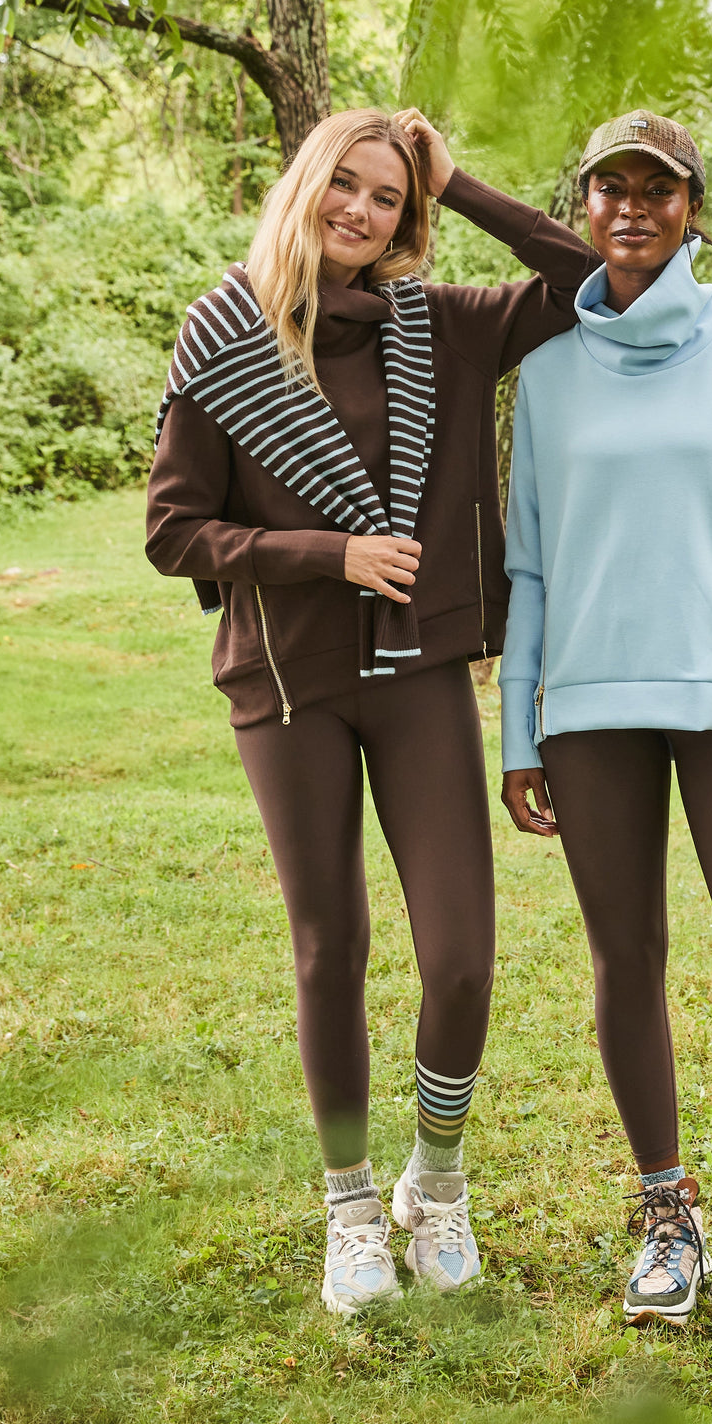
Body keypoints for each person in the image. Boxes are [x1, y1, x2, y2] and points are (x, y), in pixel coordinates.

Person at [146, 107, 596, 1315]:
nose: (360, 209)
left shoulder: (438, 327)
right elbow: (172, 529)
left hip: (421, 671)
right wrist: (326, 555)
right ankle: (350, 1207)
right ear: (307, 184)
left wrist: (465, 181)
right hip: (287, 681)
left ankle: (433, 1182)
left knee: (459, 958)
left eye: (389, 196)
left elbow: (591, 275)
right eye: (343, 184)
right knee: (328, 949)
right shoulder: (230, 331)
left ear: (411, 215)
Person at [499, 111, 712, 1342]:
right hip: (589, 712)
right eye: (611, 187)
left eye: (661, 187)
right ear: (582, 206)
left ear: (693, 207)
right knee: (625, 960)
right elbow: (528, 572)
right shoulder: (542, 377)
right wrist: (518, 732)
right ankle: (666, 1214)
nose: (635, 206)